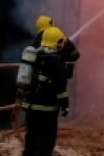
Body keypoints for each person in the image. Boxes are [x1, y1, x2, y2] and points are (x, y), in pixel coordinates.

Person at [21, 26, 70, 156]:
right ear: (57, 42)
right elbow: (61, 89)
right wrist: (65, 106)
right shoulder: (57, 62)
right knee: (46, 141)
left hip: (30, 108)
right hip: (47, 110)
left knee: (31, 139)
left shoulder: (35, 56)